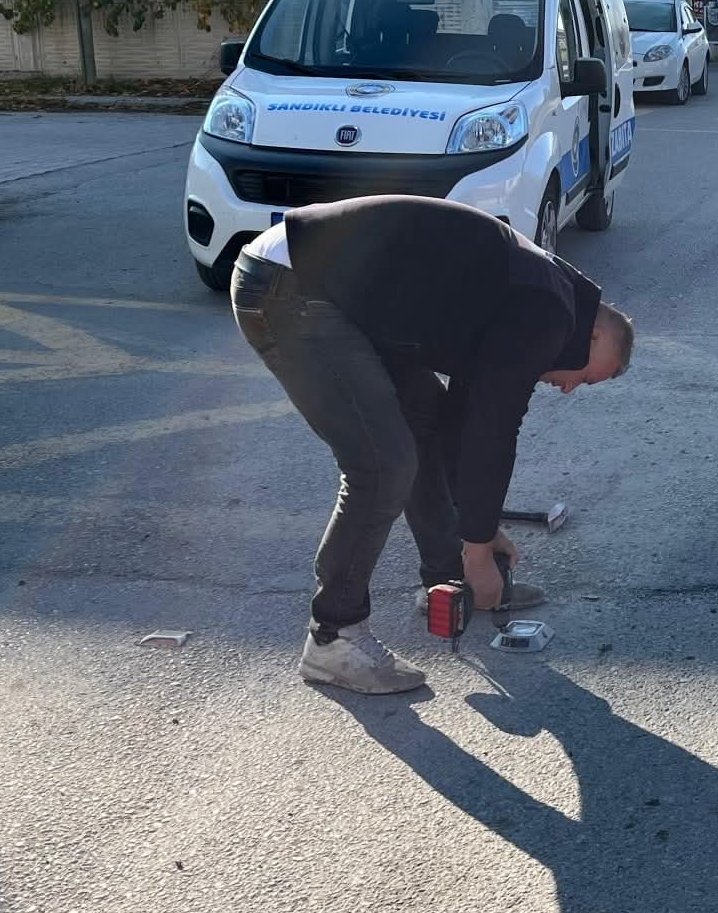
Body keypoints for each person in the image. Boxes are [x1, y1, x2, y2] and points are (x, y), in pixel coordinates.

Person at [230, 195, 633, 692]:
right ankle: (333, 635)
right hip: (292, 287)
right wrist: (481, 550)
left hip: (342, 299)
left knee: (427, 422)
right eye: (589, 380)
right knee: (382, 465)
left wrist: (477, 534)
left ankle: (449, 580)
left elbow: (464, 424)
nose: (571, 388)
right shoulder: (550, 311)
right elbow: (494, 427)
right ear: (594, 337)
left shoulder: (543, 300)